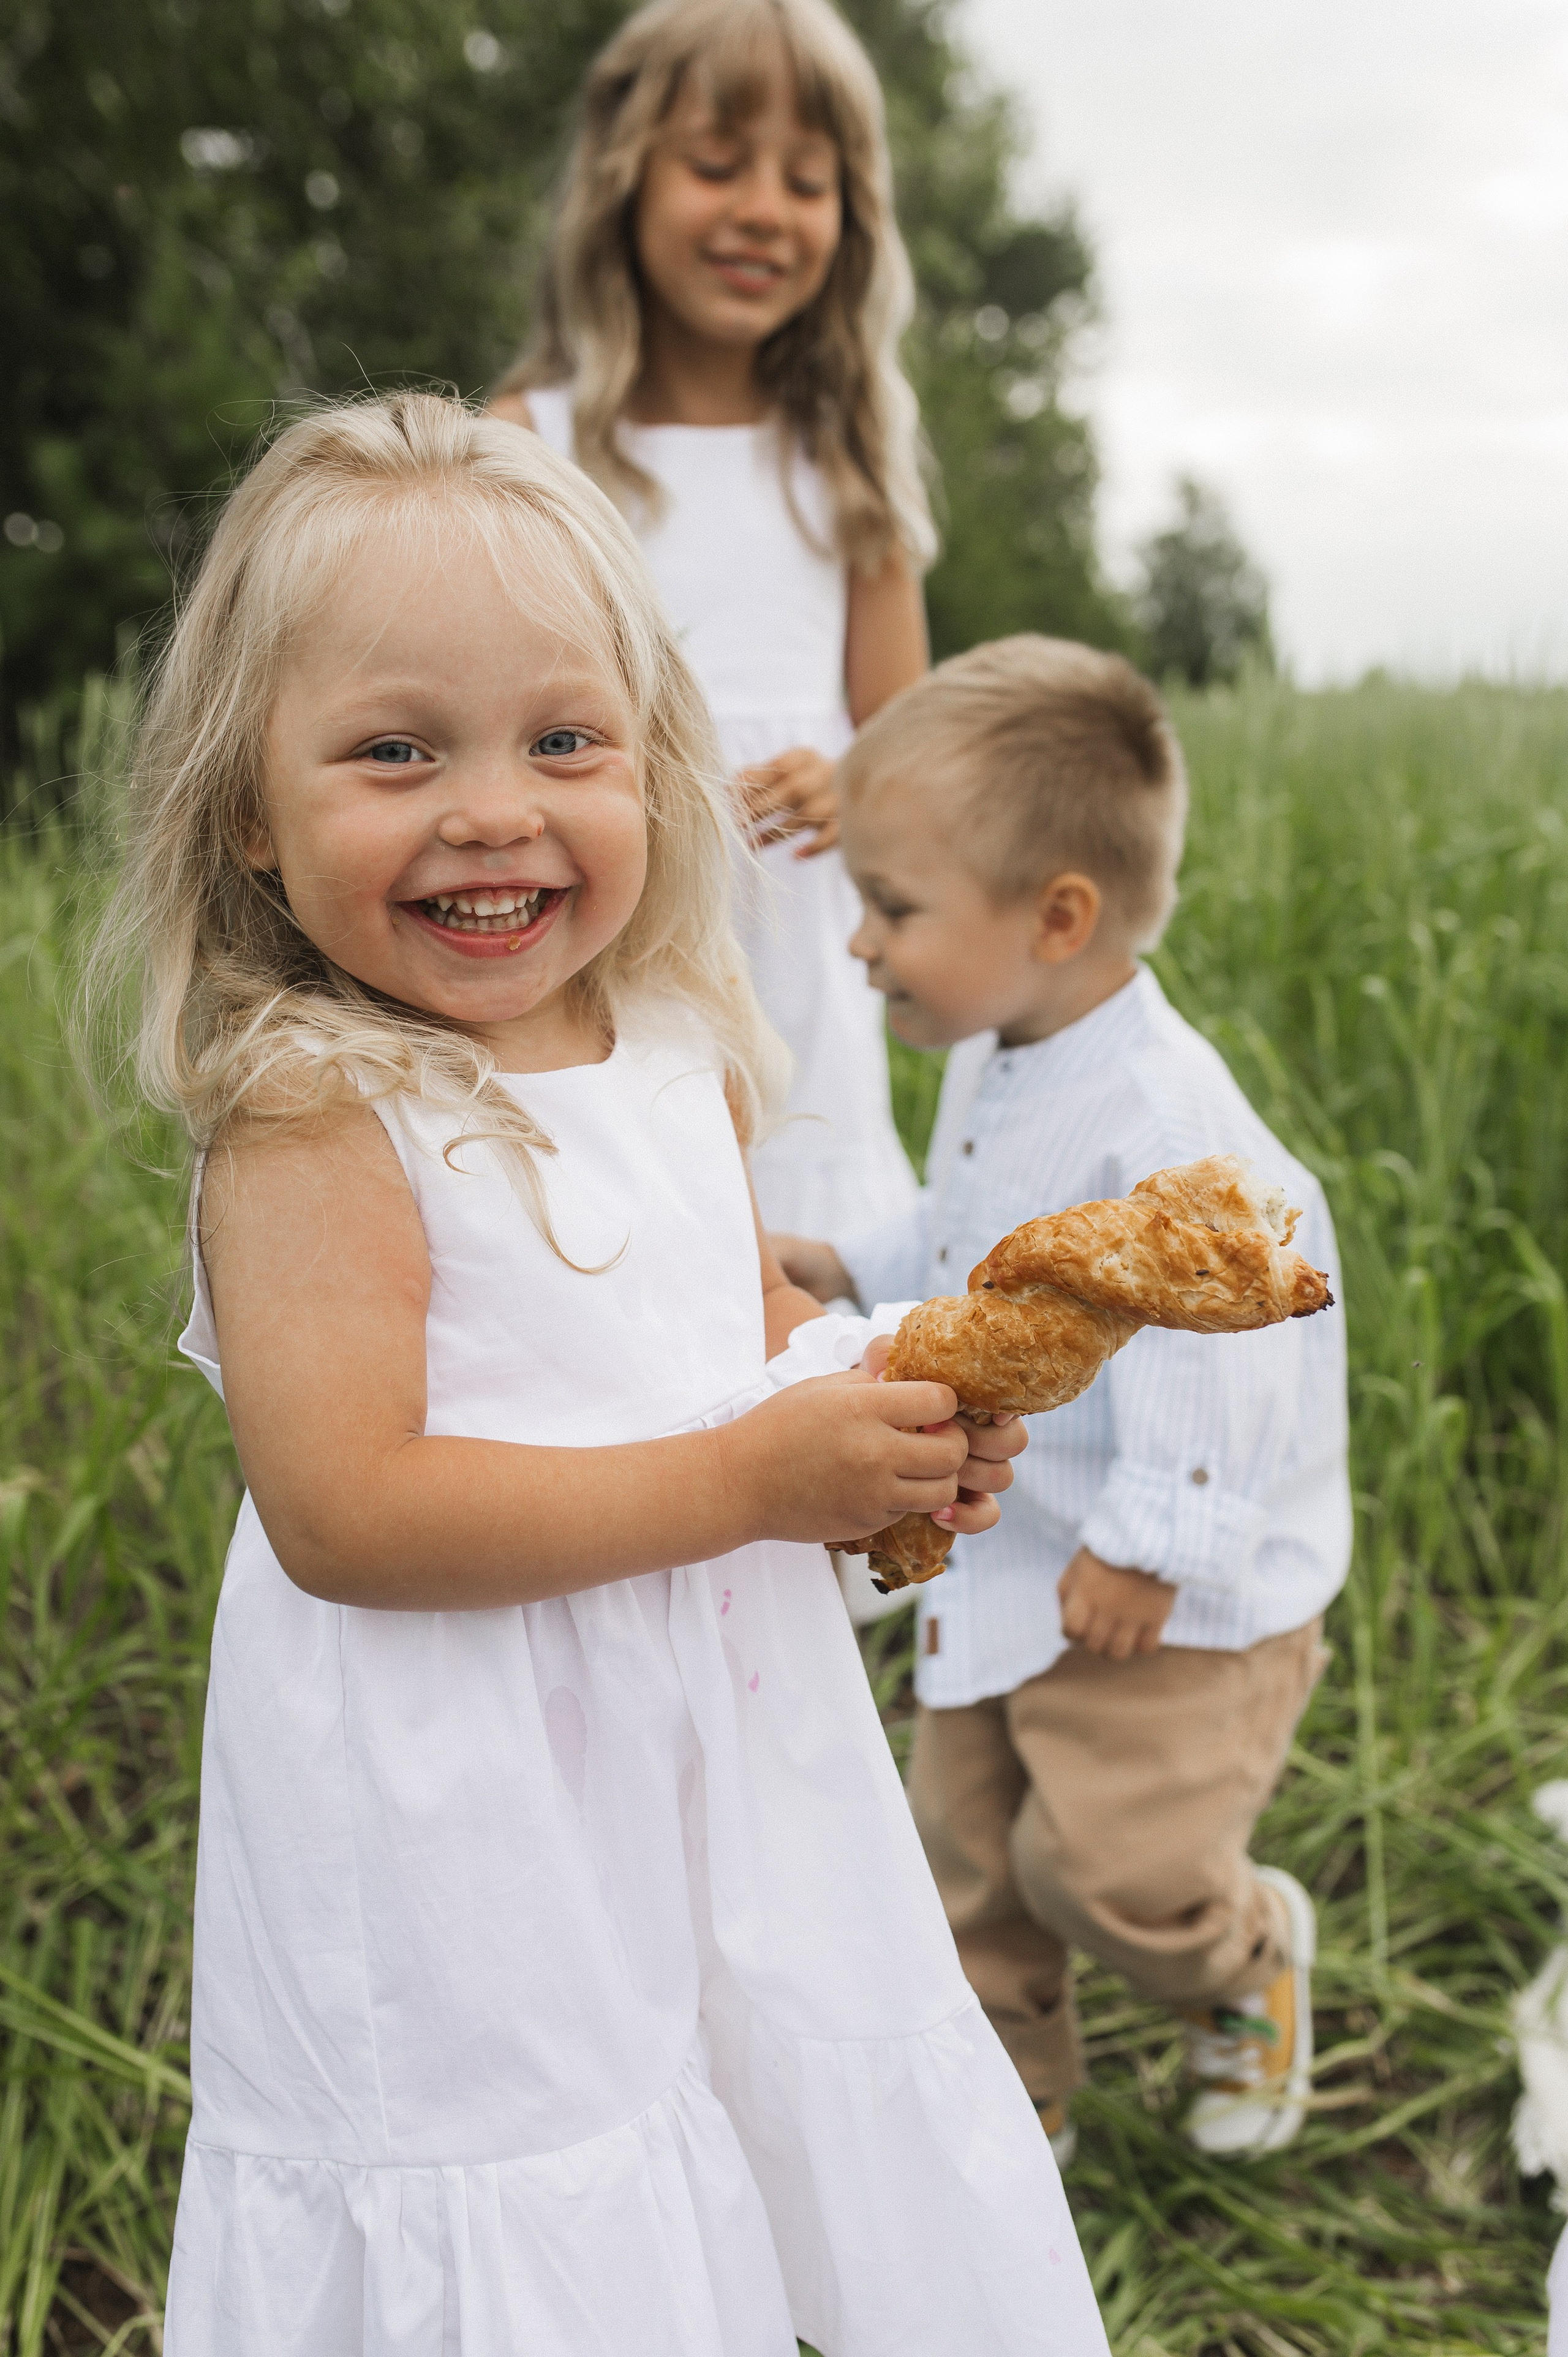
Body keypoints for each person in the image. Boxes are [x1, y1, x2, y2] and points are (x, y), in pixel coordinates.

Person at [91, 396, 1110, 2355]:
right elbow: (348, 1511)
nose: (493, 810)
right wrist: (751, 1485)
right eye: (397, 751)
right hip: (458, 1818)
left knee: (719, 2109)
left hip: (701, 1752)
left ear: (656, 760)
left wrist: (872, 1437)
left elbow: (737, 1361)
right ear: (249, 806)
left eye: (565, 740)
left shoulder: (672, 1055)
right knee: (545, 2185)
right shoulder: (319, 1114)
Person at [775, 636, 1352, 2163]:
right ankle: (1012, 2101)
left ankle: (1239, 1962)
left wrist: (1151, 1540)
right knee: (964, 1852)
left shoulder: (1164, 1117)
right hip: (1020, 1545)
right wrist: (845, 1264)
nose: (860, 948)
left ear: (1057, 916)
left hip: (1164, 1597)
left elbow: (1235, 1340)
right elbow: (969, 1237)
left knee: (1107, 1863)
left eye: (891, 910)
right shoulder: (999, 1050)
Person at [489, 0, 929, 1237]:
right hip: (602, 971)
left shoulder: (847, 466)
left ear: (851, 220)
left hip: (800, 1009)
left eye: (806, 179)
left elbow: (914, 755)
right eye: (716, 164)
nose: (760, 211)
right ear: (623, 183)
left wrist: (855, 784)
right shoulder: (533, 443)